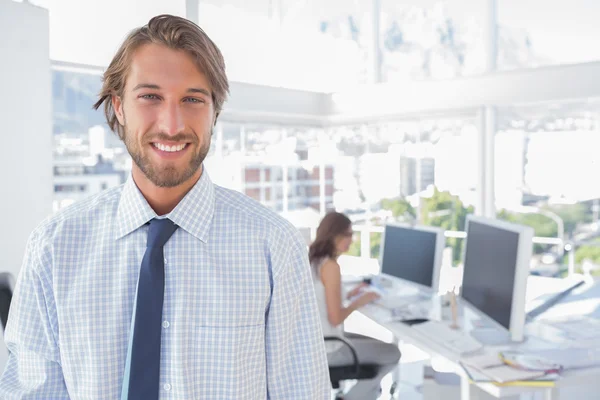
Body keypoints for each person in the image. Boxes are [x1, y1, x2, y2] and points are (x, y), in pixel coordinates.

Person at [0, 15, 330, 399]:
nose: (172, 125)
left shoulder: (273, 246)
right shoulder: (54, 249)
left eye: (192, 99)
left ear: (214, 113)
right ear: (119, 107)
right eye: (150, 97)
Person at [310, 212, 401, 400]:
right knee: (392, 352)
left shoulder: (313, 260)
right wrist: (359, 302)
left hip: (318, 341)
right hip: (331, 348)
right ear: (333, 235)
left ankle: (367, 394)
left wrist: (349, 293)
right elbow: (335, 318)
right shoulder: (331, 267)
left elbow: (324, 296)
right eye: (348, 235)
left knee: (378, 346)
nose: (351, 240)